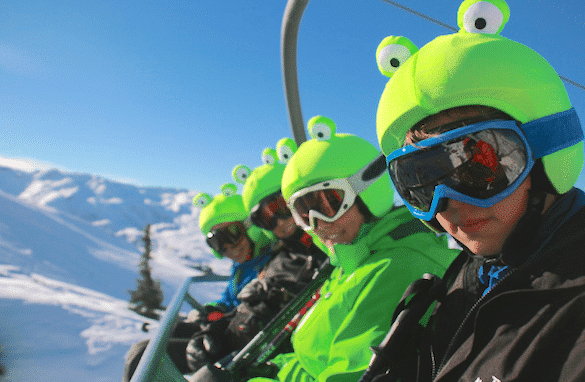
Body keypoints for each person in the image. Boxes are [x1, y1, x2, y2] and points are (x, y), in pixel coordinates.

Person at [368, 0, 585, 382]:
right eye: (422, 182)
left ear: (544, 152)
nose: (448, 204)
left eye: (480, 164)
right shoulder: (468, 276)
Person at [190, 116, 460, 382]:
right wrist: (267, 369)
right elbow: (312, 359)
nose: (316, 225)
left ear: (366, 190)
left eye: (326, 204)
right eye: (303, 213)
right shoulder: (347, 262)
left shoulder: (397, 268)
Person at [185, 143, 329, 370]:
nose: (279, 222)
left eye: (281, 206)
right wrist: (219, 323)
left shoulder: (327, 252)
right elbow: (247, 308)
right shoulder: (281, 260)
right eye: (266, 218)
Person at [123, 182, 275, 381]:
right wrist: (215, 309)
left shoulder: (270, 265)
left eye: (233, 234)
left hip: (237, 342)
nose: (228, 247)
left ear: (250, 227)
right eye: (218, 242)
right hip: (225, 330)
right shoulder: (242, 266)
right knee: (146, 348)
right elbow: (229, 298)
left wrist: (222, 323)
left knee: (143, 358)